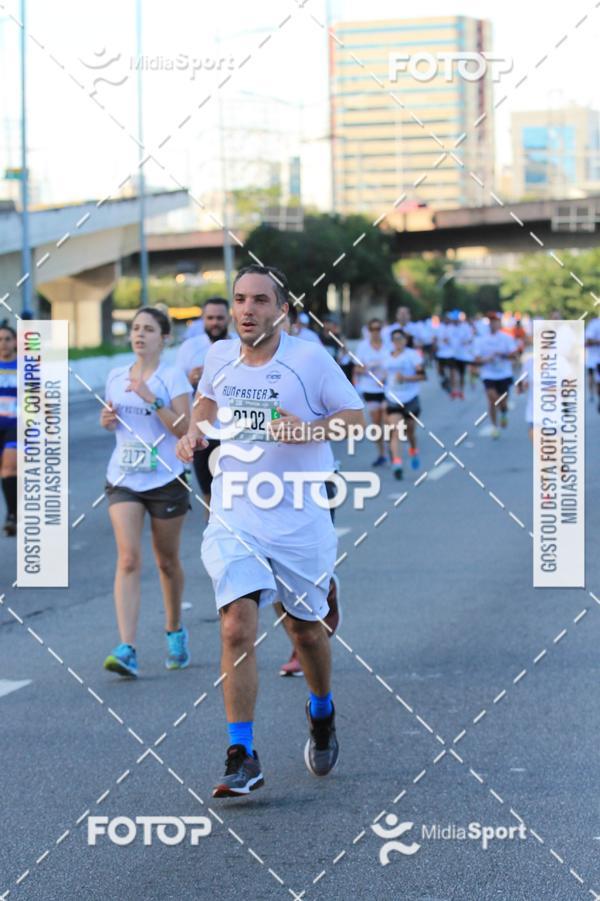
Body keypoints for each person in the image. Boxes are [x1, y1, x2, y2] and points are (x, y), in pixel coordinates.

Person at [176, 264, 365, 796]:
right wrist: (194, 430)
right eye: (240, 299)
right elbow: (208, 401)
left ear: (281, 309)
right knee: (236, 624)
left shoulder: (307, 358)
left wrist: (309, 428)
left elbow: (355, 417)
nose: (247, 310)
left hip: (299, 514)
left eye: (260, 300)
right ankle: (242, 754)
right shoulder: (218, 355)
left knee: (305, 630)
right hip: (235, 508)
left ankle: (322, 711)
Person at [101, 307, 193, 678]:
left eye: (149, 329)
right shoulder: (114, 376)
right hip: (124, 477)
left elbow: (184, 429)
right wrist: (107, 420)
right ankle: (127, 647)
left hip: (166, 479)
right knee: (127, 559)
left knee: (166, 562)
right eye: (136, 329)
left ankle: (174, 630)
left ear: (164, 338)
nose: (140, 335)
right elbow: (114, 421)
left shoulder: (173, 377)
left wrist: (152, 398)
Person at [176, 297, 231, 508]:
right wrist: (191, 381)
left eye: (219, 318)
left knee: (234, 496)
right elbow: (177, 390)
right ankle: (213, 538)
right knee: (210, 498)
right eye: (210, 318)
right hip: (205, 435)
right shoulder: (190, 348)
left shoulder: (239, 345)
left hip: (233, 433)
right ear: (203, 320)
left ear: (229, 318)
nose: (215, 323)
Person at [383, 329, 426, 480]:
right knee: (396, 431)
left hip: (410, 398)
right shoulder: (386, 356)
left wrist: (406, 378)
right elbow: (383, 376)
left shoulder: (412, 355)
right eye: (395, 339)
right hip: (393, 398)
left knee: (410, 432)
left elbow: (422, 375)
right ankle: (397, 464)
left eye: (400, 338)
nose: (398, 341)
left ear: (405, 340)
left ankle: (413, 449)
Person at [473, 313, 518, 439]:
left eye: (496, 321)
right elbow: (477, 359)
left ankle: (503, 412)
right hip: (488, 374)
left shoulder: (507, 338)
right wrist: (488, 358)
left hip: (504, 373)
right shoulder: (481, 340)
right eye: (491, 322)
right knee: (492, 399)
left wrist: (501, 355)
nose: (494, 324)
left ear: (499, 324)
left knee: (503, 402)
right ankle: (494, 427)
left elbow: (514, 356)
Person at [354, 318, 388, 465]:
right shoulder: (362, 347)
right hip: (370, 388)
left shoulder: (389, 345)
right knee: (376, 423)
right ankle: (381, 453)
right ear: (369, 331)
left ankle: (392, 449)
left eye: (378, 328)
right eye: (373, 329)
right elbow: (356, 368)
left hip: (388, 389)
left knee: (388, 421)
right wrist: (368, 368)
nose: (375, 332)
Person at [0, 323, 18, 536]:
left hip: (16, 426)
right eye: (0, 339)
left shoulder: (25, 367)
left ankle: (12, 515)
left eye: (7, 339)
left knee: (8, 467)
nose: (3, 344)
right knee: (4, 473)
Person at [585, 316, 600, 411]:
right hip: (596, 359)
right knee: (597, 381)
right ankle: (594, 395)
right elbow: (588, 341)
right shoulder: (594, 323)